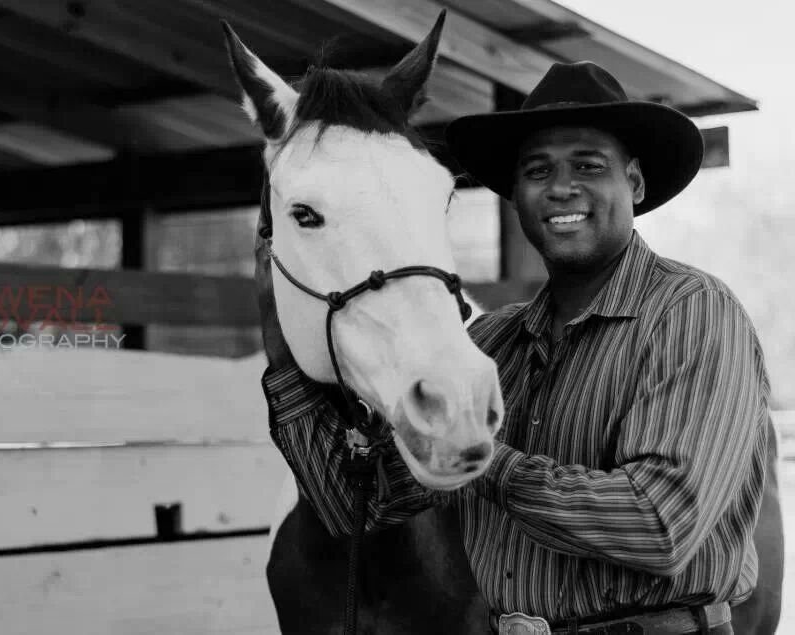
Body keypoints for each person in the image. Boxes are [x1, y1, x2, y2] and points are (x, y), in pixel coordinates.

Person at [257, 62, 773, 635]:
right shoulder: (492, 343)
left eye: (588, 165)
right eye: (537, 170)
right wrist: (285, 348)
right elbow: (352, 505)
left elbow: (659, 526)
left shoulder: (694, 311)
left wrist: (485, 460)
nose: (561, 187)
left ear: (634, 183)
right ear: (516, 197)